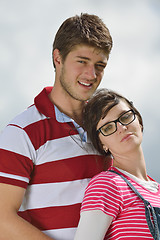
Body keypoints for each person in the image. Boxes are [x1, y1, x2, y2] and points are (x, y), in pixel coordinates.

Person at [0, 14, 113, 240]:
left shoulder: (108, 126)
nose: (91, 75)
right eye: (82, 61)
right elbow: (2, 220)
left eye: (99, 65)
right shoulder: (22, 132)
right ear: (57, 58)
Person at [74, 88, 160, 240]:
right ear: (102, 145)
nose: (121, 127)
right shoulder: (106, 185)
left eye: (125, 117)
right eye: (108, 127)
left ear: (139, 122)